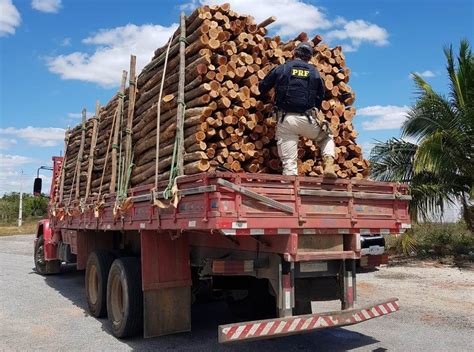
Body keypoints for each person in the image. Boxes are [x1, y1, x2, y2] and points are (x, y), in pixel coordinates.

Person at [259, 42, 337, 178]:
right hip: (307, 119)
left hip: (286, 120)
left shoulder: (282, 68)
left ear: (294, 53)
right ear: (310, 57)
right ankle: (329, 163)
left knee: (289, 163)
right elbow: (321, 95)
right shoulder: (315, 73)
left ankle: (290, 192)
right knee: (327, 137)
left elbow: (262, 87)